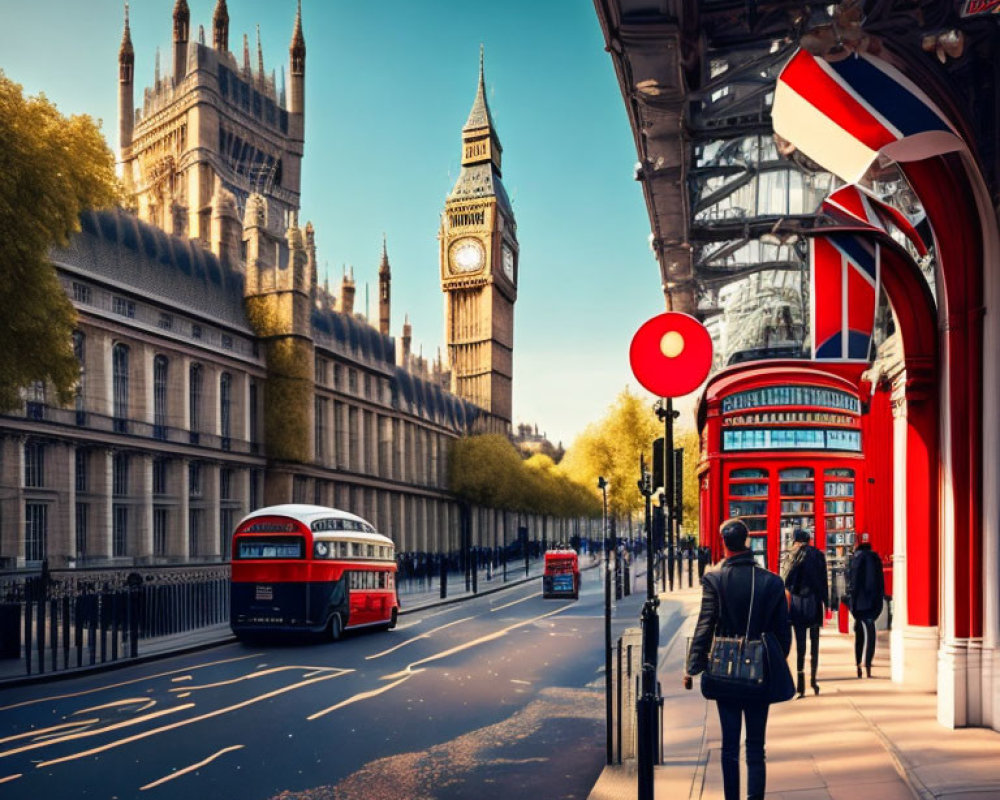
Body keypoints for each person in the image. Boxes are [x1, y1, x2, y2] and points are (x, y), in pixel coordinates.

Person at [684, 518, 792, 800]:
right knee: (756, 747)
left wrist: (693, 667)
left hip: (724, 671)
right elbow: (783, 635)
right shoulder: (772, 581)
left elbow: (705, 625)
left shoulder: (714, 579)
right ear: (748, 542)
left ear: (724, 544)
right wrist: (773, 660)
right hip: (759, 674)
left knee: (729, 747)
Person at [782, 528, 828, 697]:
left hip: (797, 604)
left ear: (796, 540)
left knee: (801, 645)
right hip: (815, 603)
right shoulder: (818, 555)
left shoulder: (792, 556)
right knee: (814, 644)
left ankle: (801, 686)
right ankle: (814, 681)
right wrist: (827, 603)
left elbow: (785, 581)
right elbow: (823, 582)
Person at [846, 532, 885, 678]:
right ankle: (868, 664)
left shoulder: (856, 559)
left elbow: (854, 584)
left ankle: (858, 665)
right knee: (871, 634)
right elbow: (880, 582)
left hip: (860, 603)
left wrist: (852, 604)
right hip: (873, 602)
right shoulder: (876, 558)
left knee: (860, 635)